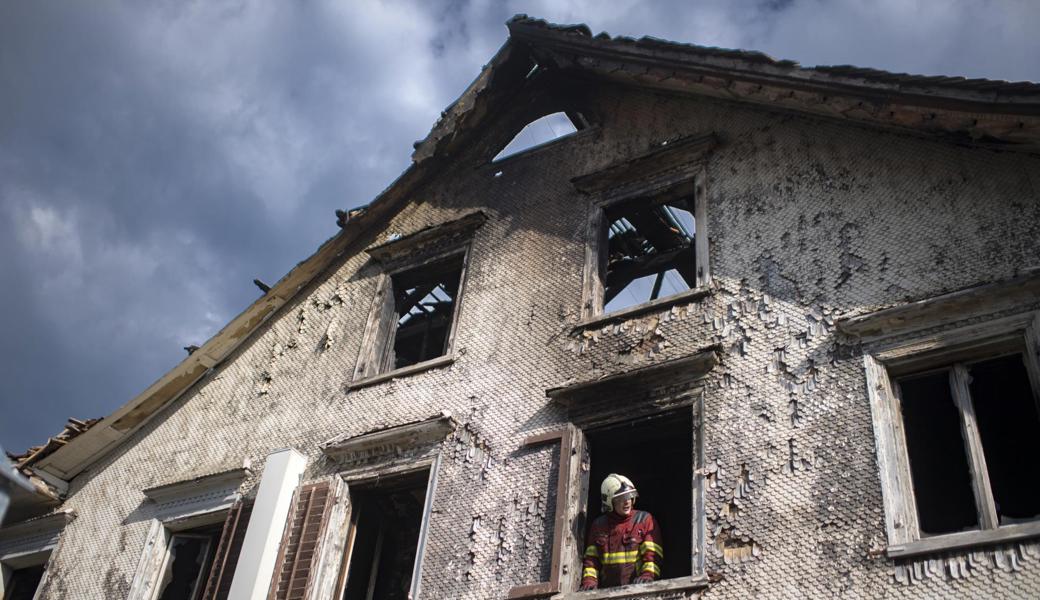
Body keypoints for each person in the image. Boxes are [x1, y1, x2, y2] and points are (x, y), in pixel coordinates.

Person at [580, 473, 662, 590]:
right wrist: (589, 581)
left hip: (638, 591)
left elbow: (652, 555)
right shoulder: (598, 526)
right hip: (607, 593)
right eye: (621, 498)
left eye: (630, 496)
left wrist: (647, 575)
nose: (627, 501)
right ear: (609, 502)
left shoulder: (644, 520)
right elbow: (592, 560)